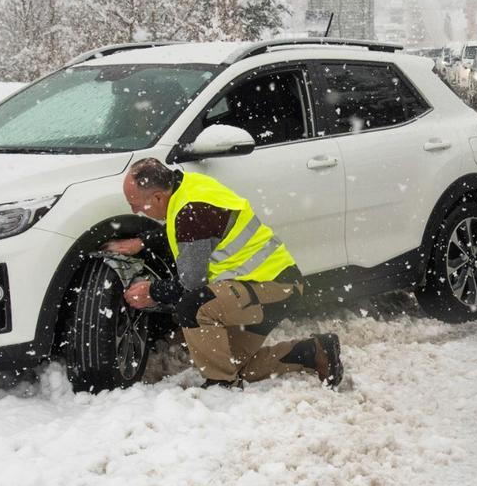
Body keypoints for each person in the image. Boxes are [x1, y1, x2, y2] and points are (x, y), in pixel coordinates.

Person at [103, 157, 344, 389]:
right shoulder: (189, 186)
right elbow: (192, 229)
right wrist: (144, 242)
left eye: (136, 204)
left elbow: (190, 283)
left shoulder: (191, 212)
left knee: (193, 306)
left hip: (272, 289)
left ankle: (221, 386)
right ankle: (314, 351)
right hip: (267, 285)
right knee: (234, 365)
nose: (135, 211)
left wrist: (152, 291)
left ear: (157, 197)